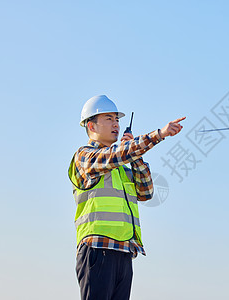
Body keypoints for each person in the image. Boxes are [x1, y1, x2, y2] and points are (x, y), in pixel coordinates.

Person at [68, 95, 185, 300]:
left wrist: (135, 155)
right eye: (109, 119)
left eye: (117, 120)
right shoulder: (85, 156)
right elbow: (115, 155)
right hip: (97, 249)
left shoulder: (121, 168)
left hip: (123, 252)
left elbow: (146, 192)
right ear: (91, 126)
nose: (116, 124)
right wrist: (159, 134)